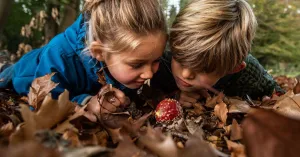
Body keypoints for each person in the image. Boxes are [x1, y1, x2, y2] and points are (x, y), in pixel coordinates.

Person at [0, 0, 167, 120]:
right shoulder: (59, 56)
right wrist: (85, 103)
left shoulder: (126, 58)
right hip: (25, 70)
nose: (149, 73)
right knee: (6, 73)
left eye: (156, 61)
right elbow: (41, 102)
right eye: (137, 64)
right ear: (99, 52)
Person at [153, 0, 284, 107]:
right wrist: (174, 95)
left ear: (233, 68)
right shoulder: (162, 62)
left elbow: (278, 93)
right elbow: (150, 92)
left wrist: (271, 102)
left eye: (203, 69)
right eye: (180, 58)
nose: (186, 74)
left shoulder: (250, 73)